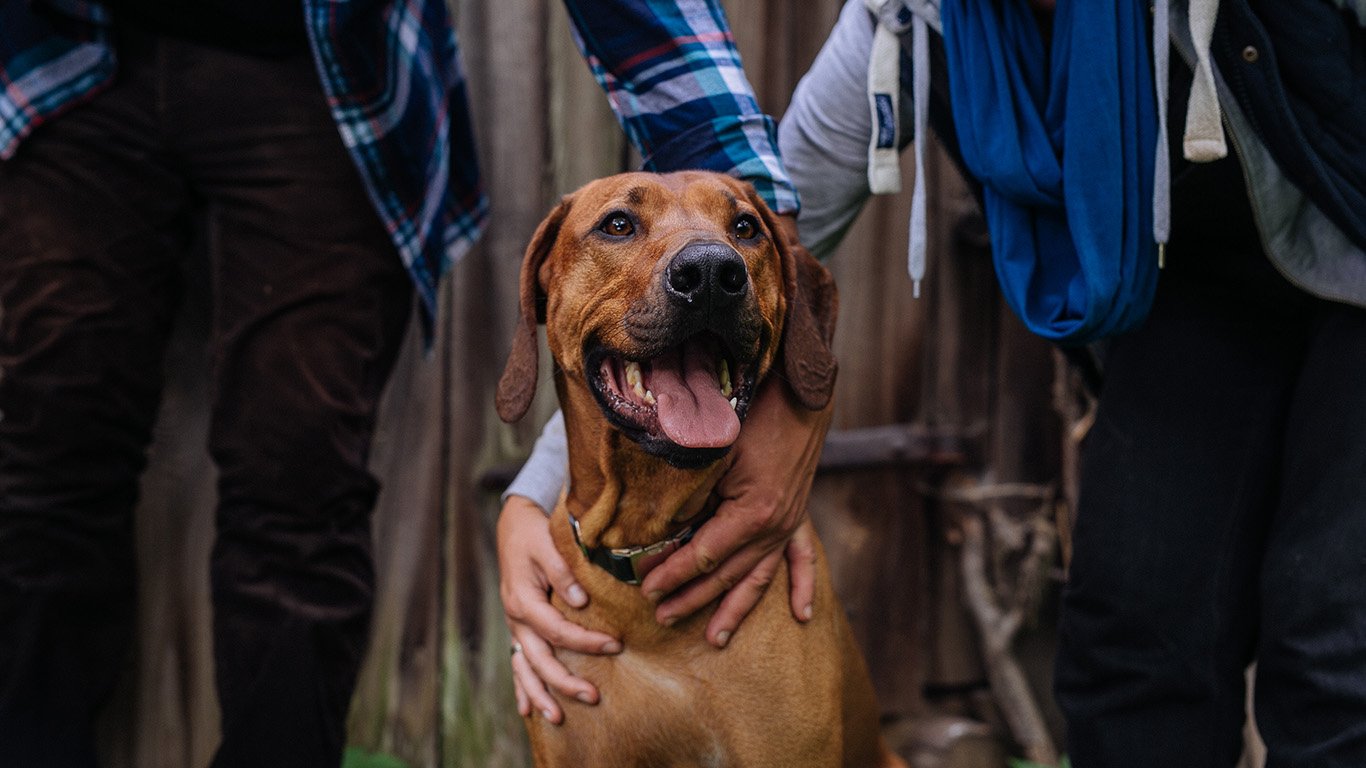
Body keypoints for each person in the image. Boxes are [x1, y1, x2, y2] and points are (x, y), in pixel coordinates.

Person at [501, 0, 1366, 765]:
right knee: (1135, 643)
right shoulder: (911, 16)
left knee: (1334, 643)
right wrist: (530, 501)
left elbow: (766, 268)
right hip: (1193, 290)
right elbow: (786, 218)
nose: (711, 259)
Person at [0, 1, 804, 766]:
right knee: (40, 477)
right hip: (61, 58)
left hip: (327, 75)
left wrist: (791, 373)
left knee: (299, 487)